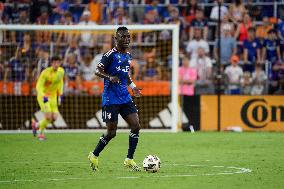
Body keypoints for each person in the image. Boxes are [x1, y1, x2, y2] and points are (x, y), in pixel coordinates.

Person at [88, 26, 142, 172]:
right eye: (123, 37)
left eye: (128, 37)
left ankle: (129, 159)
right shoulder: (109, 55)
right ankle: (94, 154)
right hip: (110, 98)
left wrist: (133, 86)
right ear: (116, 38)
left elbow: (125, 74)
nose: (126, 39)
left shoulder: (128, 55)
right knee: (112, 133)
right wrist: (109, 77)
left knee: (136, 125)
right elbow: (97, 70)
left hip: (124, 97)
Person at [31, 56, 64, 140]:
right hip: (44, 96)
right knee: (48, 116)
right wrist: (43, 95)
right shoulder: (45, 73)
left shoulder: (61, 71)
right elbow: (39, 85)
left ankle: (36, 125)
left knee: (54, 118)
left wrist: (60, 95)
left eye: (58, 62)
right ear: (51, 63)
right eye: (54, 62)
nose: (56, 64)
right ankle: (41, 134)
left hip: (53, 97)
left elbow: (60, 83)